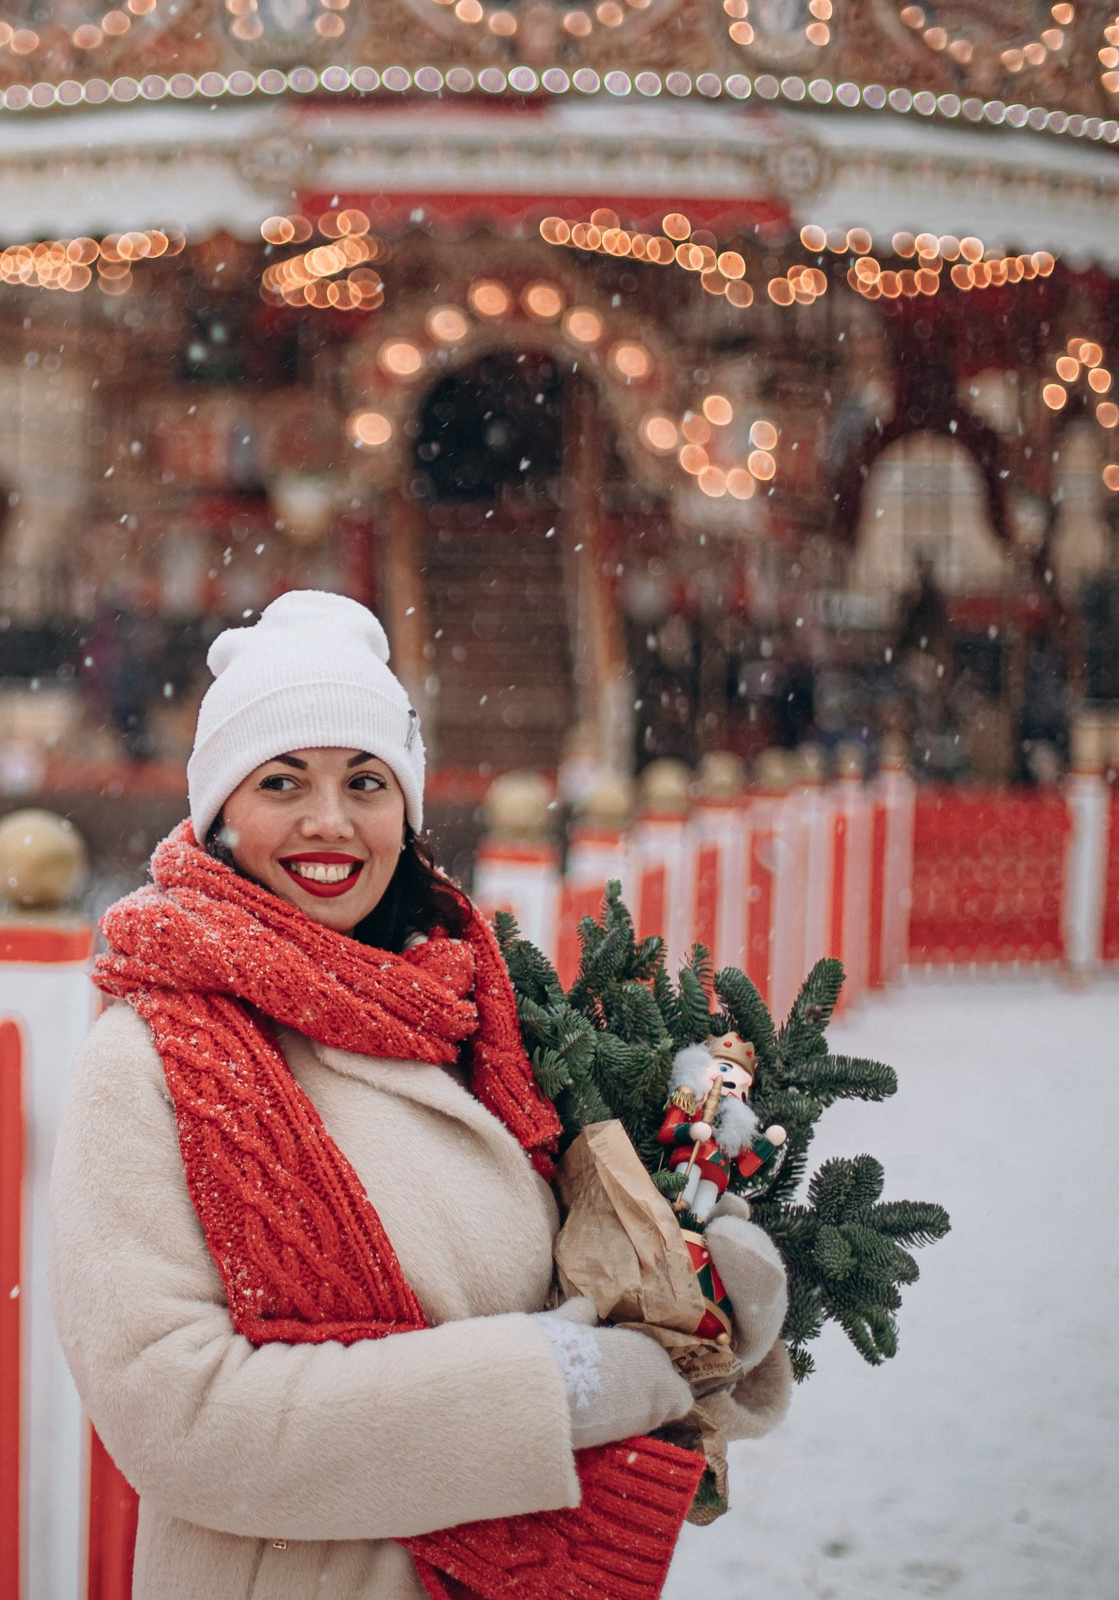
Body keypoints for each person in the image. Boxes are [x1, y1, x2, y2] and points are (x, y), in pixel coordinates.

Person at [51, 591, 794, 1599]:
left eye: (366, 780)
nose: (330, 820)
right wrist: (550, 1386)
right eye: (282, 780)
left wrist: (701, 1311)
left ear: (407, 807)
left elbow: (589, 1301)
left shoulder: (472, 1018)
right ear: (219, 810)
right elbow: (180, 1419)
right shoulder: (151, 1055)